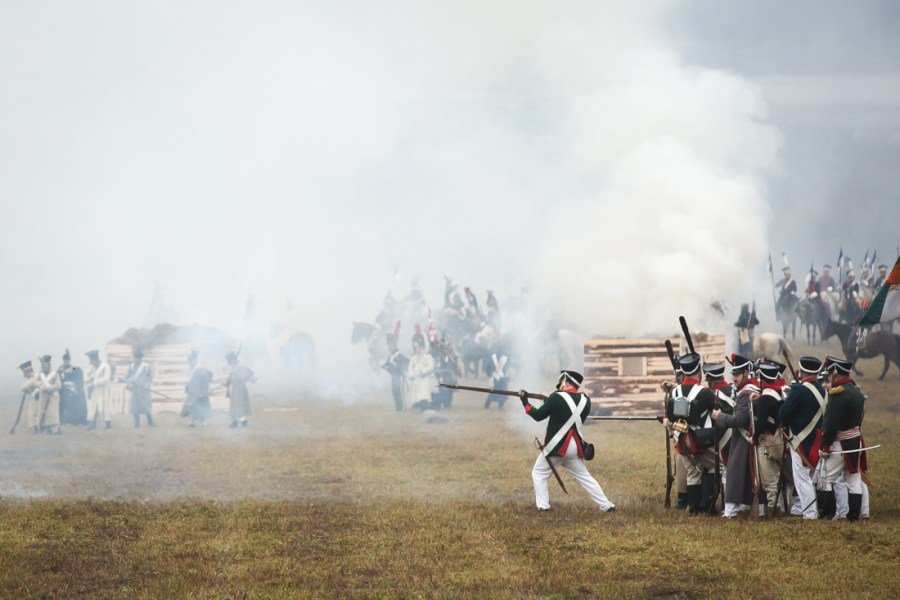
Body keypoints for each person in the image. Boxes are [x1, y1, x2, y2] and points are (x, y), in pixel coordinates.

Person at [520, 370, 615, 512]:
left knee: (538, 474)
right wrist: (549, 401)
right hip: (575, 447)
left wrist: (525, 402)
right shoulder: (585, 401)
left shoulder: (556, 397)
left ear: (567, 382)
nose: (560, 386)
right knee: (586, 478)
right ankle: (607, 506)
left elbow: (538, 415)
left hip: (557, 447)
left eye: (562, 383)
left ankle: (543, 507)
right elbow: (566, 410)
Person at [663, 353, 717, 515]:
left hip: (681, 440)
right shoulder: (705, 392)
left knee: (693, 472)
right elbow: (718, 409)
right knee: (714, 466)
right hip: (701, 439)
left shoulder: (674, 392)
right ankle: (707, 507)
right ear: (698, 370)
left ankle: (693, 509)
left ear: (684, 372)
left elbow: (670, 414)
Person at [817, 355, 868, 521]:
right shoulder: (856, 392)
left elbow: (831, 424)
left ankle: (827, 514)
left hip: (840, 443)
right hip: (856, 441)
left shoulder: (838, 394)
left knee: (826, 479)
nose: (829, 376)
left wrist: (825, 446)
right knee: (853, 479)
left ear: (836, 373)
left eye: (830, 373)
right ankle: (853, 516)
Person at [778, 356, 826, 519]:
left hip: (800, 440)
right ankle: (811, 510)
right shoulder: (823, 391)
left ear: (802, 371)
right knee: (811, 478)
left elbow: (783, 414)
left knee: (801, 478)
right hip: (818, 440)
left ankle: (810, 513)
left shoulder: (799, 390)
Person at [712, 353, 758, 519]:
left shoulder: (746, 393)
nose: (734, 378)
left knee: (733, 473)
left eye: (737, 375)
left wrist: (719, 417)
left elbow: (740, 419)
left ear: (746, 374)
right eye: (734, 375)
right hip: (745, 440)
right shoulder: (746, 390)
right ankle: (741, 507)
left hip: (744, 440)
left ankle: (731, 510)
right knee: (743, 474)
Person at [752, 359, 788, 515]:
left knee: (769, 478)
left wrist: (754, 438)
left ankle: (773, 509)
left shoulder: (766, 398)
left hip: (768, 441)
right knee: (775, 476)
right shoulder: (779, 392)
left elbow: (760, 425)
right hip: (779, 440)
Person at [703, 362, 734, 512]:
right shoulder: (732, 389)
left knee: (726, 472)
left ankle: (729, 505)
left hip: (724, 437)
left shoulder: (713, 395)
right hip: (738, 435)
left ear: (710, 379)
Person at [183, 349, 212, 427]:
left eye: (191, 361)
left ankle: (204, 423)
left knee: (202, 409)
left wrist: (203, 393)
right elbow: (191, 381)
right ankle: (191, 422)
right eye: (190, 361)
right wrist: (187, 387)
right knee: (191, 408)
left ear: (195, 360)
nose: (190, 363)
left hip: (200, 393)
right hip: (192, 393)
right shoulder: (192, 370)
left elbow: (205, 382)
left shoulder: (201, 369)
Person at [84, 349, 112, 430]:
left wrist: (95, 382)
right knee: (92, 407)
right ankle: (92, 425)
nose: (91, 363)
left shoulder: (106, 367)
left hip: (103, 390)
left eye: (92, 361)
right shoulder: (92, 367)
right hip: (95, 390)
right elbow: (86, 375)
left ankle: (107, 424)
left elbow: (106, 378)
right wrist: (89, 379)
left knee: (103, 407)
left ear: (96, 360)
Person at [58, 349, 87, 425]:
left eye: (67, 360)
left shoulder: (73, 368)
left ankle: (74, 420)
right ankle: (62, 419)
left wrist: (71, 384)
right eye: (64, 360)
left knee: (73, 405)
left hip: (71, 389)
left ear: (69, 360)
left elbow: (76, 377)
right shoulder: (60, 369)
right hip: (63, 390)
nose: (65, 362)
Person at [126, 348, 154, 428]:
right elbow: (126, 377)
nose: (135, 359)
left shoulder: (146, 366)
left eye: (137, 358)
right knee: (135, 406)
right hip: (135, 390)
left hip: (144, 390)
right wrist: (129, 384)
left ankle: (150, 422)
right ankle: (137, 424)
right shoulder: (131, 367)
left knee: (146, 406)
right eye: (134, 358)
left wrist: (147, 384)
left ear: (140, 358)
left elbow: (150, 377)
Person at [431, 335, 461, 410]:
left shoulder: (452, 355)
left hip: (451, 377)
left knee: (450, 391)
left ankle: (448, 405)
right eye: (444, 347)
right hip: (442, 376)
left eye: (447, 348)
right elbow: (436, 367)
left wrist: (457, 370)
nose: (446, 349)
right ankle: (441, 403)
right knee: (442, 391)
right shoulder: (438, 356)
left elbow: (455, 365)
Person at [225, 351, 254, 428]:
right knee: (234, 407)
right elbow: (231, 379)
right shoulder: (234, 368)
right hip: (234, 390)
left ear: (233, 360)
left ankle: (244, 422)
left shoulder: (240, 367)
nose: (229, 363)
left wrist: (233, 370)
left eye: (230, 361)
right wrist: (227, 382)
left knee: (240, 407)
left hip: (240, 389)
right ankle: (235, 422)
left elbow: (242, 377)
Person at [406, 336, 436, 411]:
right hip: (416, 379)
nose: (416, 349)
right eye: (414, 348)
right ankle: (418, 405)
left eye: (417, 347)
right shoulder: (414, 358)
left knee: (423, 394)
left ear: (421, 347)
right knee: (416, 394)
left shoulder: (427, 356)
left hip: (424, 379)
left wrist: (423, 371)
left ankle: (425, 407)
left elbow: (431, 366)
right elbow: (410, 367)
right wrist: (411, 374)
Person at [36, 355, 62, 434]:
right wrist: (41, 386)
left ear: (49, 365)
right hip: (43, 396)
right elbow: (36, 383)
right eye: (43, 366)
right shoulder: (40, 374)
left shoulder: (55, 374)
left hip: (52, 397)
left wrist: (49, 388)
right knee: (43, 413)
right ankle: (44, 428)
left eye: (46, 365)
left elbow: (59, 385)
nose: (44, 367)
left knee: (52, 413)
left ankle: (55, 429)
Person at [382, 332, 409, 411]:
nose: (389, 345)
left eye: (390, 343)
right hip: (393, 375)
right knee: (394, 392)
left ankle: (401, 408)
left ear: (394, 343)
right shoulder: (390, 354)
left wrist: (403, 370)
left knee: (398, 392)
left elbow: (407, 362)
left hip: (399, 376)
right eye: (388, 343)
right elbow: (387, 364)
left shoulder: (399, 354)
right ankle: (398, 408)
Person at [483, 339, 511, 410]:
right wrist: (491, 374)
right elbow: (487, 367)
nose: (501, 351)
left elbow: (507, 369)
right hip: (495, 378)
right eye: (500, 349)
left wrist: (507, 376)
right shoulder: (494, 358)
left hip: (502, 378)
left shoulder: (505, 358)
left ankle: (500, 407)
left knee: (504, 393)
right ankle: (487, 404)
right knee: (493, 393)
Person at [19, 360, 42, 434]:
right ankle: (37, 429)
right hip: (34, 398)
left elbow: (23, 387)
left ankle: (39, 429)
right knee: (33, 413)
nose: (25, 374)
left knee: (36, 413)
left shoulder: (35, 376)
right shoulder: (32, 377)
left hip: (39, 398)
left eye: (25, 372)